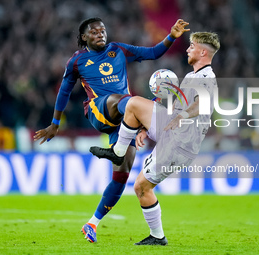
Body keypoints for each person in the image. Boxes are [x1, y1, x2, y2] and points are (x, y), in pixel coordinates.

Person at [33, 17, 190, 243]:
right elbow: (64, 91)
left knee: (121, 175)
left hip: (124, 121)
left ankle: (92, 223)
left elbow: (153, 53)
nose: (101, 34)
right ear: (84, 37)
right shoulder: (77, 61)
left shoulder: (118, 50)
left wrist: (171, 37)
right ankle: (133, 133)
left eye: (103, 31)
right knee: (127, 100)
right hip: (99, 110)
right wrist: (55, 124)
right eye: (94, 32)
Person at [91, 31, 220, 245]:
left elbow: (204, 103)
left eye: (192, 46)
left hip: (180, 141)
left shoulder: (207, 78)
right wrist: (143, 128)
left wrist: (183, 115)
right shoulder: (192, 76)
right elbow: (174, 104)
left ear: (203, 52)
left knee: (132, 103)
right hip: (173, 137)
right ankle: (158, 237)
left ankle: (117, 152)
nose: (187, 49)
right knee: (141, 187)